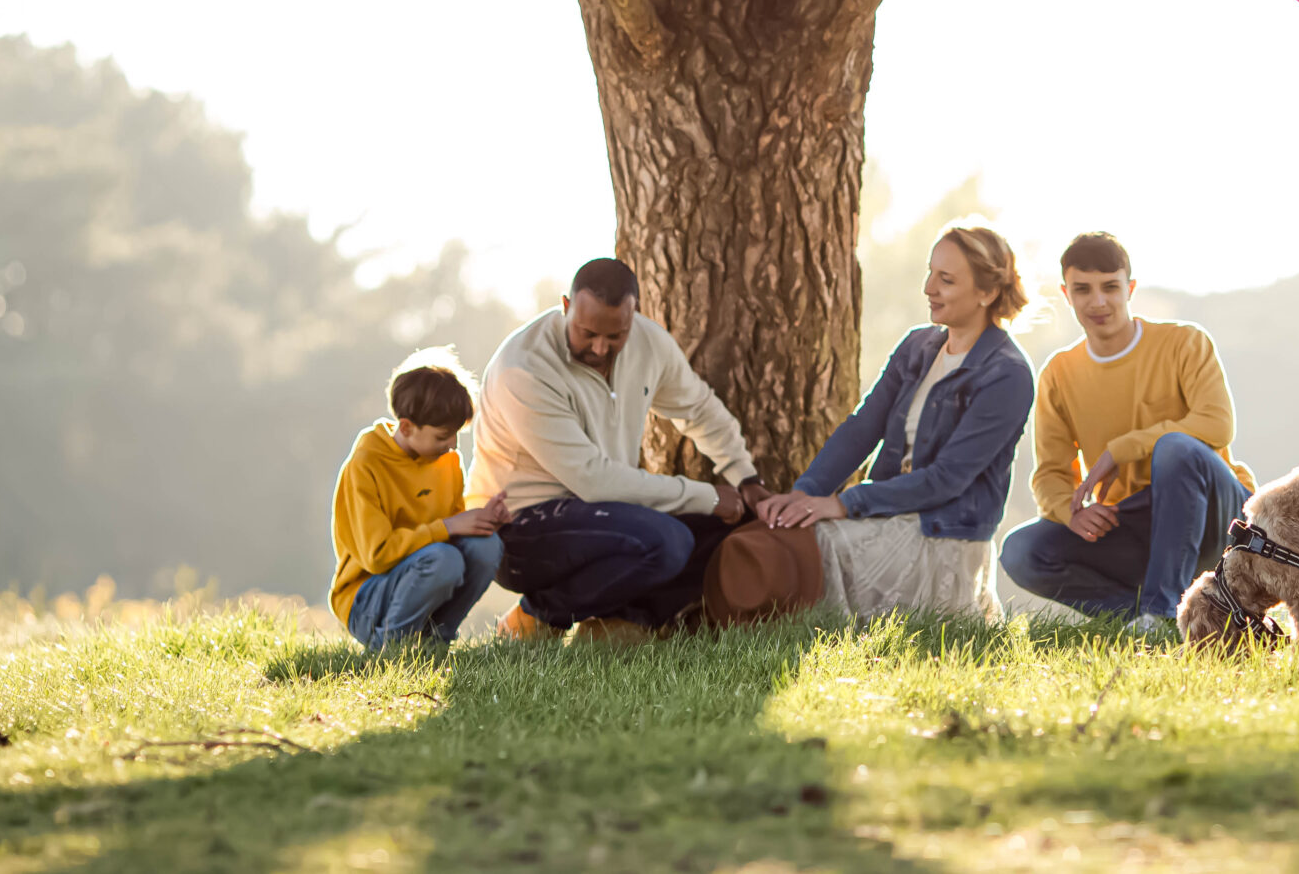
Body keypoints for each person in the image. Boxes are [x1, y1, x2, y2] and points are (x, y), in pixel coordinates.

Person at [474, 256, 773, 642]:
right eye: (587, 333)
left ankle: (620, 624)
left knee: (737, 523)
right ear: (566, 307)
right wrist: (708, 496)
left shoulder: (648, 342)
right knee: (667, 542)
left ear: (633, 316)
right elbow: (593, 480)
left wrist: (745, 477)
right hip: (519, 530)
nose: (600, 348)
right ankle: (536, 617)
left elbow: (698, 408)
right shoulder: (523, 368)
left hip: (607, 511)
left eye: (615, 336)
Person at [760, 224, 1036, 619]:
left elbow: (946, 479)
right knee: (790, 531)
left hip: (941, 533)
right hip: (886, 511)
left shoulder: (1008, 374)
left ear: (987, 293)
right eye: (930, 272)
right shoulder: (917, 346)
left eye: (946, 279)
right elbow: (862, 427)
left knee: (818, 545)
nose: (928, 288)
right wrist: (805, 494)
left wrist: (844, 503)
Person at [998, 231, 1255, 633]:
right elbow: (1050, 474)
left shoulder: (1184, 342)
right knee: (1021, 550)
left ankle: (1163, 608)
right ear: (1066, 295)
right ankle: (1147, 621)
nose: (1098, 302)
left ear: (1130, 288)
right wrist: (1071, 513)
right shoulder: (1059, 374)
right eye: (1083, 289)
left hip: (1218, 516)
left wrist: (1122, 449)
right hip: (1134, 523)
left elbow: (1217, 424)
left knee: (1175, 449)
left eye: (1110, 287)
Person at [330, 347, 510, 649]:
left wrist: (483, 522)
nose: (453, 445)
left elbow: (451, 532)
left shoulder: (447, 461)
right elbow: (377, 556)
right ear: (407, 427)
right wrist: (449, 527)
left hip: (427, 571)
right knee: (445, 560)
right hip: (365, 597)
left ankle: (434, 643)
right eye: (442, 436)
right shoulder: (366, 464)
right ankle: (390, 648)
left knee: (486, 547)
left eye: (456, 434)